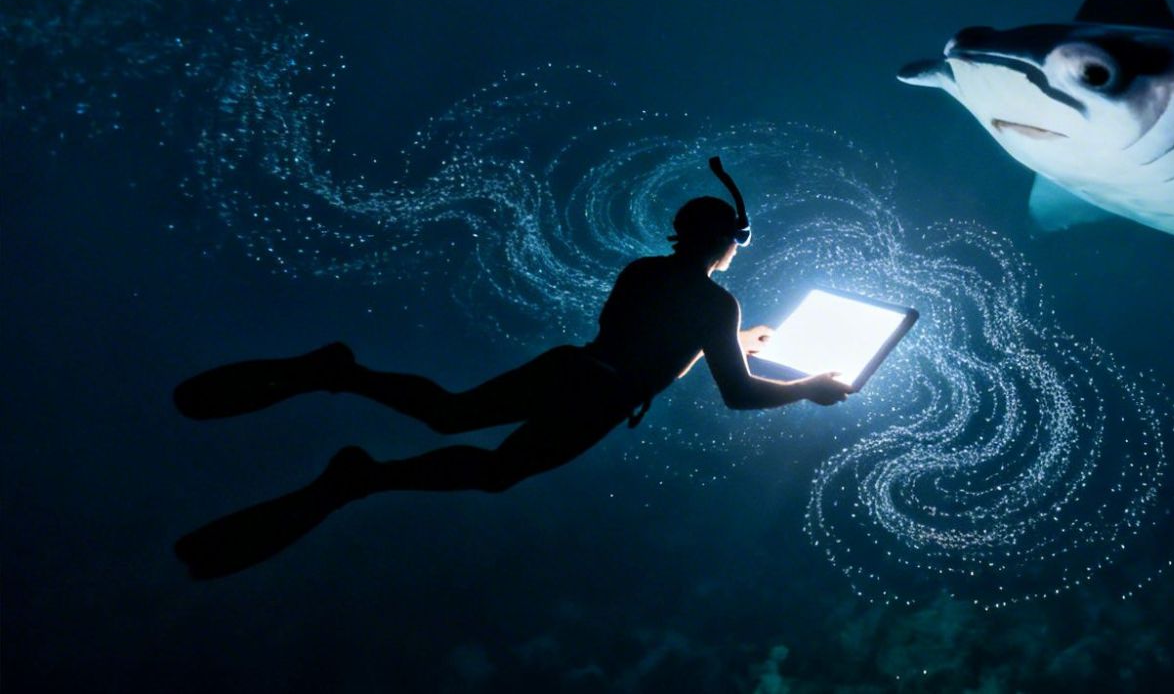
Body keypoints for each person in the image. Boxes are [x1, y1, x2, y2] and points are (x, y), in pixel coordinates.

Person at [172, 157, 846, 580]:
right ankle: (364, 476)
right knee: (497, 473)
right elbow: (739, 394)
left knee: (449, 410)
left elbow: (651, 337)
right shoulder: (716, 303)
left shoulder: (646, 271)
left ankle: (342, 373)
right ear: (727, 240)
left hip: (573, 368)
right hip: (598, 400)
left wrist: (729, 338)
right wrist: (807, 385)